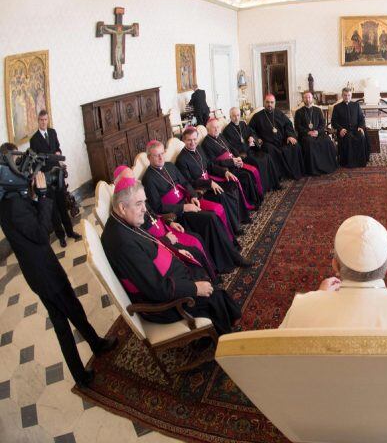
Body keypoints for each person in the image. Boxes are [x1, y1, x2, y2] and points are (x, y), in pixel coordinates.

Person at [0, 143, 116, 387]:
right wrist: (42, 195)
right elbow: (42, 233)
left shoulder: (8, 199)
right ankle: (82, 373)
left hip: (39, 271)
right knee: (65, 320)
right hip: (44, 273)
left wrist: (37, 192)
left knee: (69, 313)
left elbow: (34, 218)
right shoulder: (14, 206)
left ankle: (95, 345)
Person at [101, 180, 241, 334]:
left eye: (144, 203)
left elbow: (151, 245)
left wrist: (175, 251)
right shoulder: (122, 243)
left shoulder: (122, 222)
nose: (145, 210)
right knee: (215, 296)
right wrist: (195, 288)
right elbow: (156, 289)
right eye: (139, 204)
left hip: (168, 279)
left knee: (197, 266)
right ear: (122, 207)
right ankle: (226, 344)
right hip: (162, 304)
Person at [142, 140, 253, 272]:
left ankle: (229, 255)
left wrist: (193, 195)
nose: (161, 157)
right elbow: (157, 207)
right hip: (177, 215)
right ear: (149, 158)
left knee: (214, 217)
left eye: (162, 153)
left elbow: (185, 182)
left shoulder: (169, 166)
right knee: (211, 218)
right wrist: (183, 208)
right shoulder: (148, 179)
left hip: (188, 202)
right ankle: (230, 260)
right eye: (156, 155)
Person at [113, 166, 217, 280]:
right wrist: (166, 240)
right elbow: (144, 239)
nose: (132, 183)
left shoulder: (135, 197)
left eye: (133, 179)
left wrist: (169, 222)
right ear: (116, 184)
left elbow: (152, 213)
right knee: (194, 250)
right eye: (128, 181)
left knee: (197, 239)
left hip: (165, 229)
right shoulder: (126, 212)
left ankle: (213, 275)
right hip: (160, 241)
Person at [176, 126, 253, 236]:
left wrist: (224, 172)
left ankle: (241, 217)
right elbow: (190, 181)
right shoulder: (181, 160)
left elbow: (210, 165)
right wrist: (209, 183)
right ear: (184, 140)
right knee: (222, 195)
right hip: (202, 189)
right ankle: (233, 228)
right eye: (189, 140)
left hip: (210, 181)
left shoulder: (199, 149)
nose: (192, 142)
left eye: (194, 139)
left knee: (232, 184)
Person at [28, 110, 81, 247]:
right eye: (41, 120)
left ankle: (70, 232)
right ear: (38, 121)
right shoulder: (33, 140)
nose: (44, 122)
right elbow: (34, 161)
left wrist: (58, 153)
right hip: (46, 177)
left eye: (45, 120)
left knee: (63, 205)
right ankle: (61, 236)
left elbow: (58, 148)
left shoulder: (52, 132)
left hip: (57, 174)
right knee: (53, 210)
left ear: (47, 120)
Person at [199, 118, 263, 209]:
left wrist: (238, 157)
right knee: (245, 176)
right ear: (208, 129)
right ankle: (249, 204)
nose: (216, 129)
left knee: (250, 173)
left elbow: (231, 148)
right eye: (214, 128)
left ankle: (256, 200)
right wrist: (231, 162)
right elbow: (213, 163)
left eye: (218, 127)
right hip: (225, 169)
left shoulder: (220, 136)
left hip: (233, 163)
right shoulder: (206, 144)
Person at [222, 107, 282, 192]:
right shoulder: (227, 131)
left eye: (238, 115)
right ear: (230, 117)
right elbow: (233, 148)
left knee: (267, 157)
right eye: (234, 116)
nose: (236, 118)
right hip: (242, 155)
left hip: (251, 150)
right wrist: (247, 145)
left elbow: (252, 132)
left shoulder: (243, 124)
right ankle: (263, 188)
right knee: (259, 162)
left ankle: (274, 184)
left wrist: (251, 137)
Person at [249, 94, 304, 180]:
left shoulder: (279, 113)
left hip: (282, 140)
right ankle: (279, 176)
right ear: (264, 103)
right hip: (267, 143)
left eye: (272, 102)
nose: (269, 104)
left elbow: (288, 125)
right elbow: (251, 130)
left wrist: (290, 136)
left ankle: (294, 172)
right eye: (267, 102)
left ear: (275, 103)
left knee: (295, 146)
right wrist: (257, 138)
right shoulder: (257, 116)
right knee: (272, 150)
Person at [294, 91, 338, 175]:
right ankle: (313, 169)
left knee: (327, 141)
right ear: (303, 99)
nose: (307, 99)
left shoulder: (318, 110)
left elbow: (323, 124)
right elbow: (297, 127)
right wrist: (308, 132)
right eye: (305, 97)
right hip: (306, 135)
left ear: (312, 99)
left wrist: (317, 131)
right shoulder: (299, 112)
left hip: (319, 133)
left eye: (309, 97)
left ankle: (328, 166)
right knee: (310, 143)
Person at [331, 88, 370, 168]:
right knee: (348, 138)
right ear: (342, 95)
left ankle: (360, 162)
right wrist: (340, 129)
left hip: (356, 129)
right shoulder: (337, 107)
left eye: (349, 95)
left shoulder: (356, 105)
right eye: (345, 95)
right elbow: (333, 122)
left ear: (351, 96)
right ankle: (349, 163)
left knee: (361, 136)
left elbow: (361, 119)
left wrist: (360, 127)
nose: (347, 97)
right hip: (344, 131)